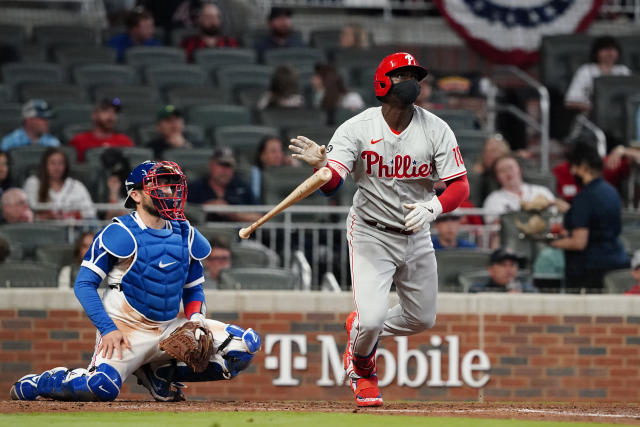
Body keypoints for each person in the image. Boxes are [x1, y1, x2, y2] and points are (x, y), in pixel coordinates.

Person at [289, 52, 469, 407]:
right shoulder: (357, 128)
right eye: (402, 75)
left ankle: (360, 328)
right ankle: (362, 369)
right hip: (371, 232)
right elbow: (332, 184)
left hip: (415, 231)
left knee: (422, 318)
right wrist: (321, 167)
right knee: (371, 321)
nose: (411, 83)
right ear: (383, 84)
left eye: (414, 76)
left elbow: (460, 185)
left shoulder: (436, 128)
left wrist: (433, 208)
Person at [10, 160, 260, 402]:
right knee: (100, 387)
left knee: (243, 347)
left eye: (171, 184)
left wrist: (196, 320)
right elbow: (84, 285)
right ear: (137, 195)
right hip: (126, 329)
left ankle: (159, 373)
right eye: (158, 185)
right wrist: (107, 329)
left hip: (170, 327)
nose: (168, 190)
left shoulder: (187, 233)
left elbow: (193, 289)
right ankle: (42, 381)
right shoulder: (120, 232)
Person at [551, 142, 629, 292]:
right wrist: (571, 211)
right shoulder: (611, 191)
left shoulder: (584, 197)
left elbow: (579, 242)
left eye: (574, 167)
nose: (573, 172)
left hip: (590, 271)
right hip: (617, 261)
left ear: (583, 166)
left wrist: (550, 242)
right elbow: (598, 222)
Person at [482, 154, 567, 224]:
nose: (508, 172)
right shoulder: (493, 199)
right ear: (497, 177)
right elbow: (493, 227)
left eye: (510, 167)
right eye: (502, 170)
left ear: (519, 169)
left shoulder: (541, 191)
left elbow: (556, 218)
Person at [187, 147, 260, 222]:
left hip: (237, 233)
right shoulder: (195, 187)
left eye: (228, 166)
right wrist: (205, 208)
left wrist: (231, 213)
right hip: (203, 232)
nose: (225, 171)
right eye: (221, 165)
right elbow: (182, 212)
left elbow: (259, 217)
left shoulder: (243, 187)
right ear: (211, 165)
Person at [23, 147, 97, 220]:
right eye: (52, 163)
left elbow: (91, 212)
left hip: (74, 228)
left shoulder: (76, 185)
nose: (57, 167)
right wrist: (47, 216)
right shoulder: (33, 183)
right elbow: (27, 211)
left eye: (61, 163)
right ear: (45, 165)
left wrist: (74, 215)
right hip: (43, 228)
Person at [565, 35, 631, 113]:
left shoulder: (623, 70)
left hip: (621, 114)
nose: (610, 53)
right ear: (596, 53)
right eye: (606, 49)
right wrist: (596, 107)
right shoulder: (586, 70)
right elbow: (569, 101)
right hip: (592, 114)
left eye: (613, 49)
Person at [70, 98, 134, 163]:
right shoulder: (80, 141)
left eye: (114, 112)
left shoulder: (125, 142)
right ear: (94, 115)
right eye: (105, 111)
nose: (111, 116)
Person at [250, 135, 298, 202]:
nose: (278, 155)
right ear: (262, 156)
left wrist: (295, 169)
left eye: (280, 151)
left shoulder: (288, 173)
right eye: (273, 151)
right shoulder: (255, 175)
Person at [468, 247, 538, 293]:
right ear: (491, 270)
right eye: (503, 265)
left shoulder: (527, 290)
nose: (509, 269)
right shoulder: (479, 290)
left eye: (512, 265)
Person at [472, 134, 511, 203]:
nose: (489, 154)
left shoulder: (509, 171)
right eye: (486, 151)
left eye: (493, 151)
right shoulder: (475, 170)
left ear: (503, 153)